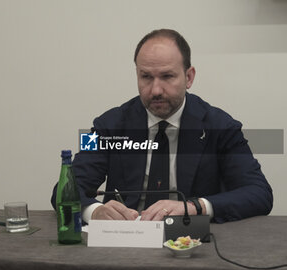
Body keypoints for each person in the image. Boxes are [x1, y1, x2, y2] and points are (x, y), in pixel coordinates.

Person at [51, 29, 273, 224]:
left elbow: (259, 193)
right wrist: (95, 210)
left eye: (167, 76)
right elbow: (64, 190)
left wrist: (195, 207)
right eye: (146, 77)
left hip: (192, 242)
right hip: (124, 244)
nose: (156, 89)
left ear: (189, 77)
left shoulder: (221, 127)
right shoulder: (107, 126)